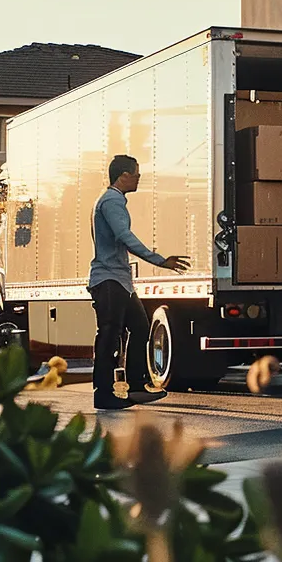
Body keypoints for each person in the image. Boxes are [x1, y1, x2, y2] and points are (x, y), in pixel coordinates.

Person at [90, 154, 192, 410]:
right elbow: (124, 236)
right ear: (123, 176)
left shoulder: (112, 199)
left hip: (120, 280)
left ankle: (136, 385)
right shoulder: (112, 201)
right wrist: (159, 260)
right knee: (110, 336)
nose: (139, 178)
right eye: (136, 173)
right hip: (109, 280)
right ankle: (103, 393)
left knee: (140, 327)